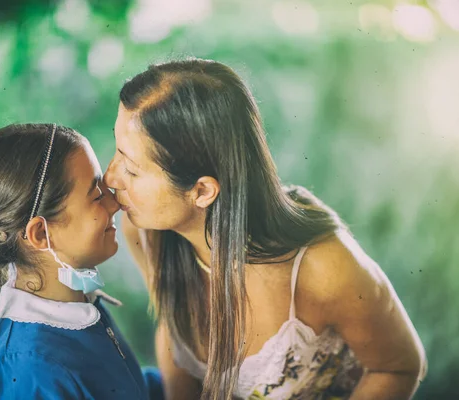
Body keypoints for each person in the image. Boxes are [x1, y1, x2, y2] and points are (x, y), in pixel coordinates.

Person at [104, 58, 427, 400]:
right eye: (117, 150)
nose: (110, 177)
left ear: (202, 191)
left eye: (132, 169)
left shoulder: (324, 267)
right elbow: (173, 333)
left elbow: (397, 367)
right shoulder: (144, 232)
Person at [0, 123, 160, 399]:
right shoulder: (34, 372)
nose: (114, 203)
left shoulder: (77, 304)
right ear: (41, 234)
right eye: (97, 196)